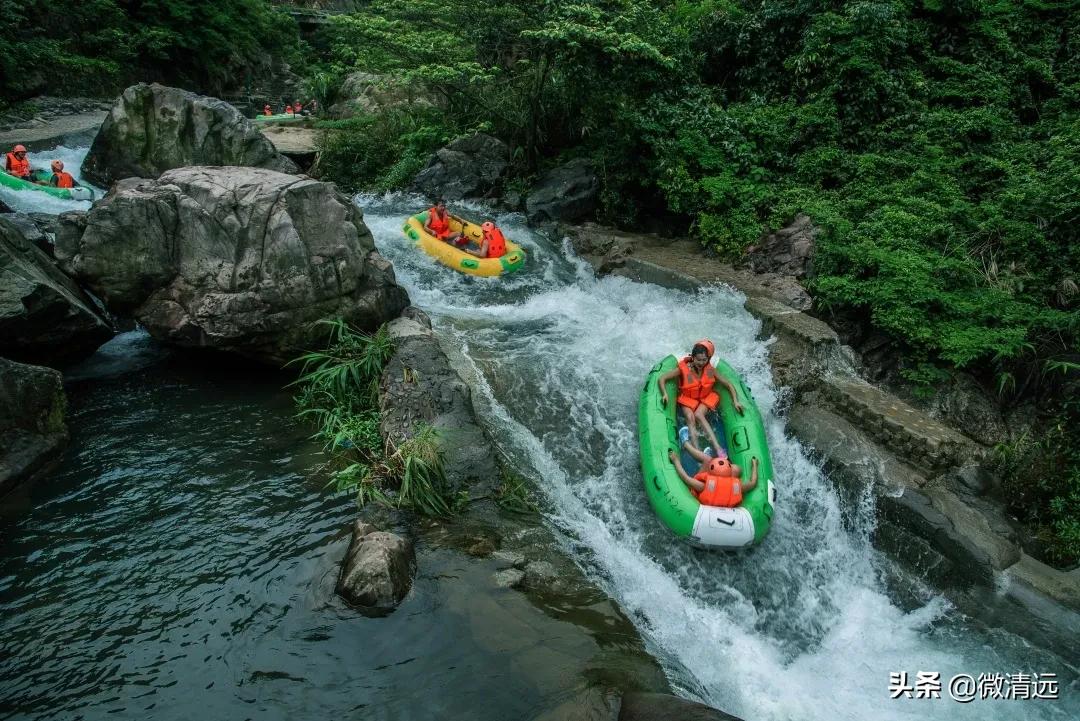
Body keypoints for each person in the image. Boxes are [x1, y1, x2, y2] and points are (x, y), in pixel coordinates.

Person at [656, 339, 743, 451]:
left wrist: (735, 401)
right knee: (690, 417)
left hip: (704, 398)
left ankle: (717, 448)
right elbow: (662, 378)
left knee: (698, 415)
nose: (701, 363)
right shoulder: (683, 369)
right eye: (698, 360)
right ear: (692, 357)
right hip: (688, 399)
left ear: (708, 359)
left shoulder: (709, 370)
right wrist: (664, 394)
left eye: (704, 360)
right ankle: (698, 451)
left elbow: (728, 384)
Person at [668, 444, 758, 508]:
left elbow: (685, 478)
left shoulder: (703, 486)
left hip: (698, 506)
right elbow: (753, 482)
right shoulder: (738, 487)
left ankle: (685, 443)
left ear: (711, 473)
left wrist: (676, 460)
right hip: (726, 507)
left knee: (707, 459)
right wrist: (754, 465)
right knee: (737, 469)